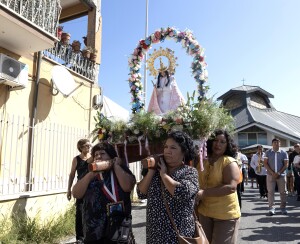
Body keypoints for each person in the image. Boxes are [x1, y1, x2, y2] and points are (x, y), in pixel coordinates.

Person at [137, 130, 199, 244]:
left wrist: (164, 175)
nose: (167, 151)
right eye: (166, 147)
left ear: (184, 152)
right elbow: (141, 193)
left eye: (173, 148)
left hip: (178, 235)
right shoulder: (156, 172)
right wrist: (151, 170)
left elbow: (181, 192)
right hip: (155, 235)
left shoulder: (190, 172)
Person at [72, 142, 136, 243]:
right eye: (96, 155)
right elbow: (76, 193)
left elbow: (128, 186)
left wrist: (115, 166)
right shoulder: (89, 172)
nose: (98, 156)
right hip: (94, 232)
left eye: (102, 153)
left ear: (111, 156)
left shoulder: (121, 168)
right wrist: (91, 174)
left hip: (118, 230)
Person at [196, 129, 241, 244]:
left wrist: (204, 193)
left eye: (222, 142)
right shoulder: (203, 160)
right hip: (204, 212)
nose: (218, 144)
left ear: (227, 145)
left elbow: (231, 187)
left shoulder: (229, 161)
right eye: (215, 140)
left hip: (226, 214)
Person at [67, 139, 91, 243]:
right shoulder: (76, 159)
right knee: (80, 212)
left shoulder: (93, 158)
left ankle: (90, 235)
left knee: (91, 212)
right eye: (86, 146)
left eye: (89, 145)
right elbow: (72, 174)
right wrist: (69, 189)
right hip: (81, 189)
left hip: (92, 189)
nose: (88, 147)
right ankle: (80, 238)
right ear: (80, 147)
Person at [263, 138, 288, 215]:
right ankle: (271, 208)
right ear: (272, 144)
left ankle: (283, 208)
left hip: (281, 175)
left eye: (277, 142)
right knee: (270, 192)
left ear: (280, 144)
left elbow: (286, 164)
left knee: (283, 192)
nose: (276, 144)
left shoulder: (284, 153)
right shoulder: (267, 152)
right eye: (274, 142)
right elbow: (265, 163)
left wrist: (279, 173)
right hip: (270, 175)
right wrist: (272, 172)